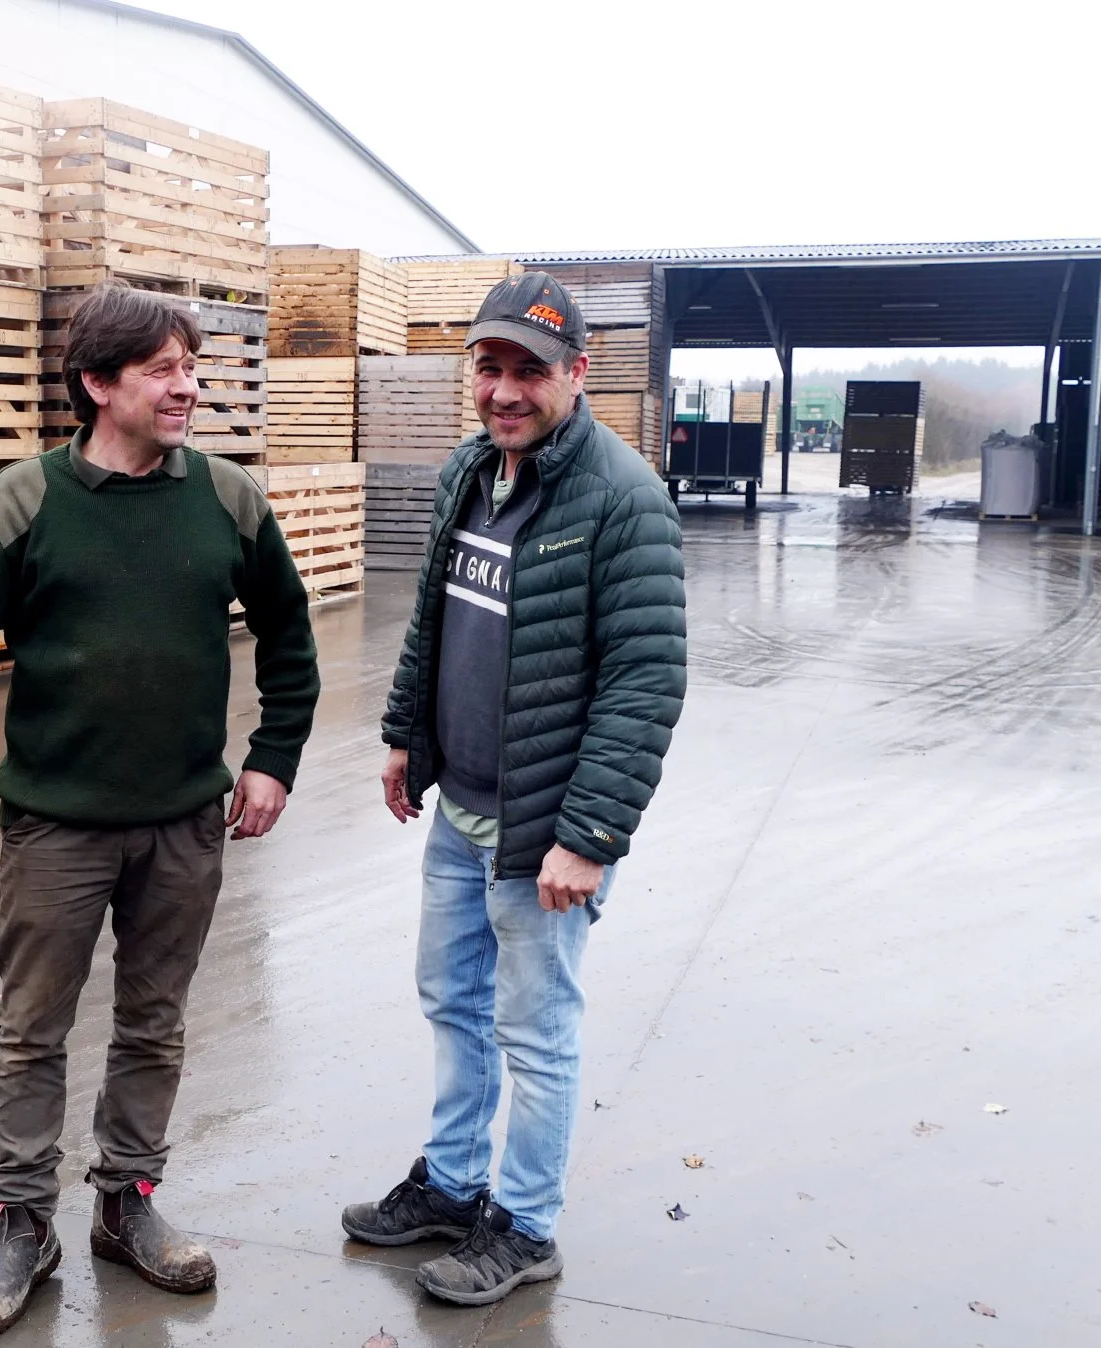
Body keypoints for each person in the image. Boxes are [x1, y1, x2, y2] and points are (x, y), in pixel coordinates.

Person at [0, 285, 320, 1340]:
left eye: (192, 366)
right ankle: (22, 1222)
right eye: (165, 370)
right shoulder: (24, 503)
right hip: (55, 825)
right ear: (97, 384)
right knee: (30, 1031)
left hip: (183, 821)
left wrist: (272, 758)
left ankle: (126, 1204)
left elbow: (291, 634)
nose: (189, 387)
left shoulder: (226, 500)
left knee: (154, 1020)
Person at [340, 272, 687, 1306]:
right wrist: (408, 734)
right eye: (487, 368)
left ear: (577, 374)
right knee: (452, 1000)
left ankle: (526, 1222)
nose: (503, 391)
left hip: (545, 826)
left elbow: (646, 680)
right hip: (462, 809)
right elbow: (434, 622)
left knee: (535, 1034)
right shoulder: (470, 472)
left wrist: (588, 834)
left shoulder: (623, 500)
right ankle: (451, 1185)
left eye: (528, 371)